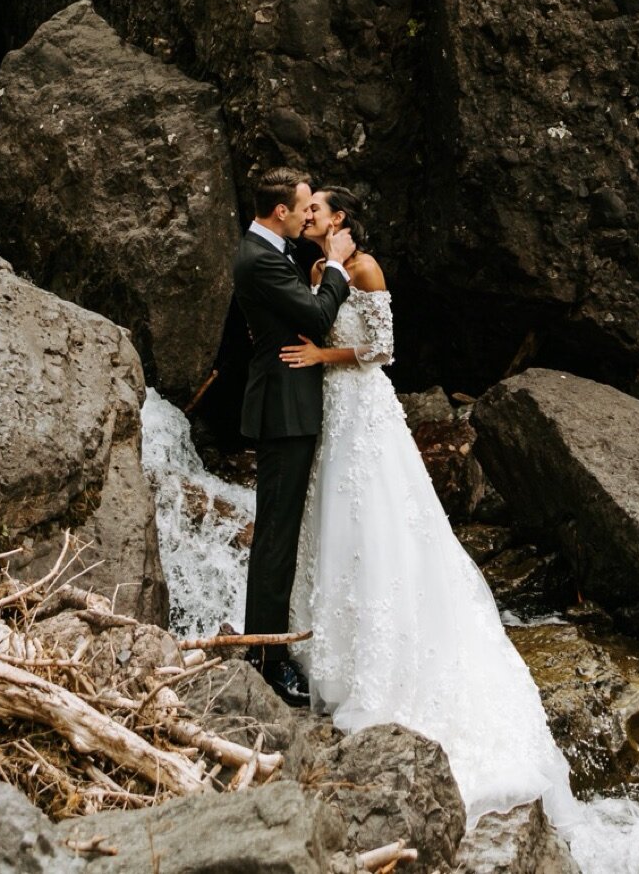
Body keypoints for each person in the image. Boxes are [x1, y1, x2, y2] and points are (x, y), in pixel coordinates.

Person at [283, 188, 574, 827]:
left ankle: (390, 666)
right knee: (335, 525)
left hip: (363, 405)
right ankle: (331, 650)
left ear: (341, 219)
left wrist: (321, 356)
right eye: (305, 210)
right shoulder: (314, 269)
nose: (308, 217)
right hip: (332, 412)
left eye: (317, 210)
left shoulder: (365, 268)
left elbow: (382, 349)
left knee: (378, 522)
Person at [231, 167, 356, 707]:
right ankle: (266, 659)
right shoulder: (259, 258)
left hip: (292, 406)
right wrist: (337, 272)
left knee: (281, 536)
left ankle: (269, 648)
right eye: (305, 207)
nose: (310, 215)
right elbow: (316, 313)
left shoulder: (272, 251)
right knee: (276, 539)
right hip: (282, 411)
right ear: (281, 211)